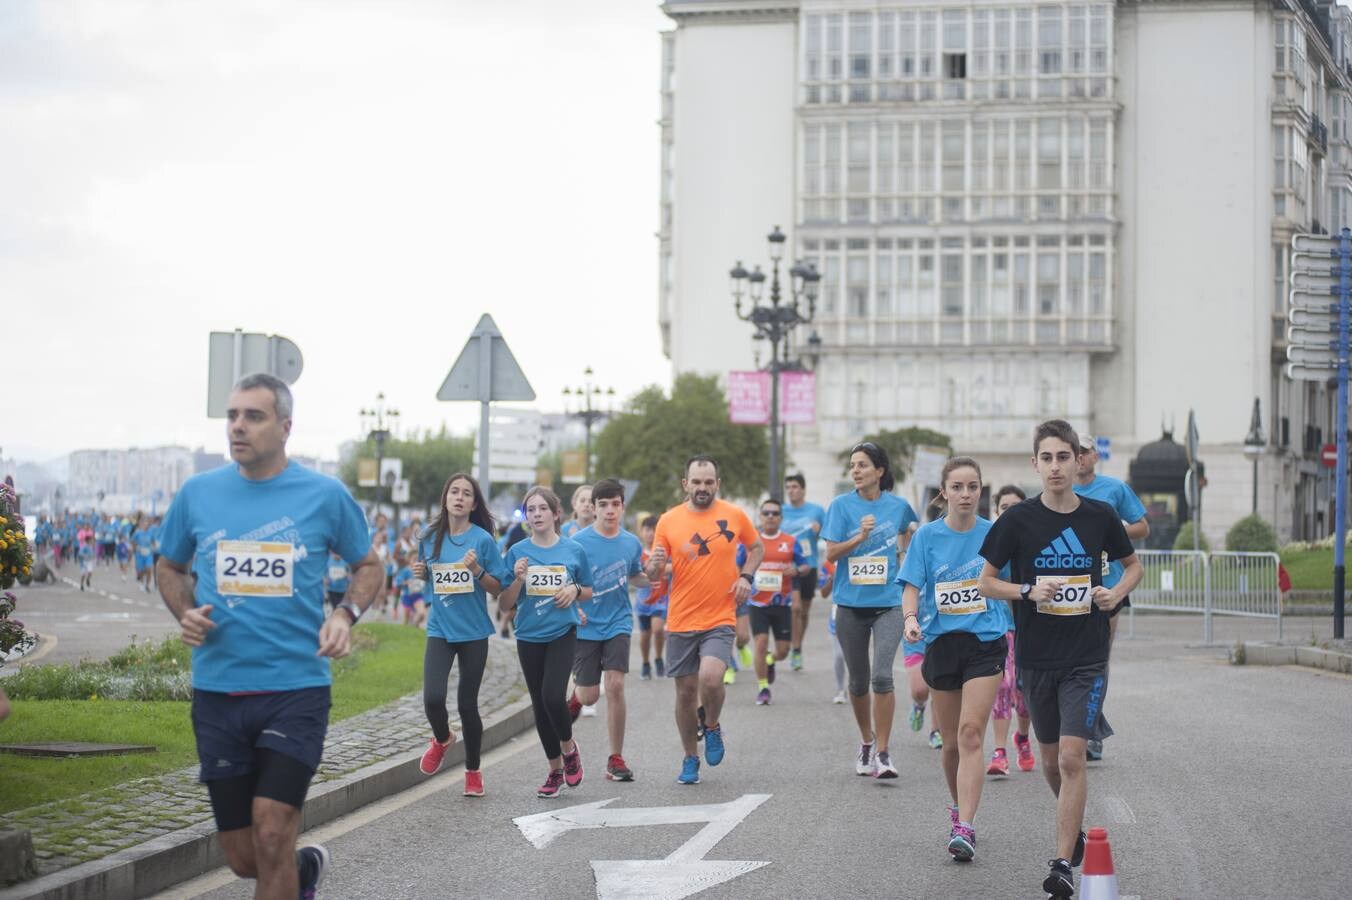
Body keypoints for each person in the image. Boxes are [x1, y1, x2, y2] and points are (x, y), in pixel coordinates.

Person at [155, 373, 382, 900]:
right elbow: (169, 565)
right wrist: (184, 611)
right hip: (218, 690)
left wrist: (344, 615)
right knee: (243, 857)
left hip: (295, 688)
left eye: (252, 416)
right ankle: (300, 874)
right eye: (232, 416)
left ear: (285, 427)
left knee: (273, 829)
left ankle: (288, 862)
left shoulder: (323, 495)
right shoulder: (197, 493)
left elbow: (368, 565)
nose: (237, 426)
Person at [977, 419, 1143, 898]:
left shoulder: (1099, 517)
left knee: (1073, 757)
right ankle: (1074, 837)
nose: (1055, 466)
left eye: (1063, 457)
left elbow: (1133, 567)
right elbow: (986, 582)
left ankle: (1060, 864)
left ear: (1079, 461)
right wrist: (1027, 589)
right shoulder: (1017, 521)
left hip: (1086, 656)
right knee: (1051, 763)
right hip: (1035, 657)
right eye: (1046, 458)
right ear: (1035, 464)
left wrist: (1114, 593)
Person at [899, 457, 1013, 862]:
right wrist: (911, 619)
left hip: (985, 643)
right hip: (942, 644)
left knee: (969, 734)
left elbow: (1008, 582)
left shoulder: (996, 533)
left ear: (981, 491)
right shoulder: (926, 537)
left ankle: (966, 824)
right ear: (944, 492)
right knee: (950, 745)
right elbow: (911, 587)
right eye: (958, 487)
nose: (966, 494)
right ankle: (958, 808)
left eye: (973, 487)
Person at [647, 455, 761, 785]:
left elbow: (756, 548)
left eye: (708, 482)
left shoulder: (733, 514)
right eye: (696, 482)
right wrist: (654, 565)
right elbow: (653, 571)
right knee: (684, 693)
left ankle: (711, 725)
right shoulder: (668, 521)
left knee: (711, 679)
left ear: (717, 484)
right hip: (681, 618)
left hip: (720, 615)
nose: (702, 488)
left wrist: (746, 577)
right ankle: (689, 758)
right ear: (686, 484)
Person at [822, 441, 919, 779]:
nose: (856, 471)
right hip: (850, 605)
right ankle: (866, 740)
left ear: (879, 471)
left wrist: (905, 553)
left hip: (889, 604)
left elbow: (911, 529)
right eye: (853, 466)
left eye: (862, 465)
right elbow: (831, 555)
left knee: (882, 676)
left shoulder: (899, 506)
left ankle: (884, 751)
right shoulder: (840, 506)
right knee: (859, 681)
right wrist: (859, 538)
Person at [411, 473, 505, 797]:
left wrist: (477, 571)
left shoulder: (482, 541)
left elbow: (498, 588)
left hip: (474, 631)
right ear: (446, 498)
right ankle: (441, 738)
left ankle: (473, 770)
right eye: (454, 491)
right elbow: (432, 581)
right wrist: (421, 575)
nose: (460, 497)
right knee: (433, 698)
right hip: (440, 628)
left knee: (467, 704)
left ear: (474, 503)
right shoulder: (429, 537)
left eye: (467, 493)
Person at [498, 486, 592, 798]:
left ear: (555, 514)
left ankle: (569, 750)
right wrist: (517, 579)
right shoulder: (517, 552)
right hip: (528, 635)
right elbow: (504, 604)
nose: (536, 514)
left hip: (562, 632)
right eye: (530, 510)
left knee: (554, 696)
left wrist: (574, 590)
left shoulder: (573, 551)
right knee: (539, 705)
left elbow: (589, 590)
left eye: (542, 509)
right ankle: (554, 771)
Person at [1072, 433, 1150, 761]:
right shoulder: (1059, 490)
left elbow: (1142, 527)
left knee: (1098, 658)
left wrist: (1107, 529)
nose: (1080, 458)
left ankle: (1091, 731)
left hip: (1110, 585)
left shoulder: (1114, 489)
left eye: (1085, 452)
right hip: (1068, 585)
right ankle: (1071, 726)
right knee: (1067, 659)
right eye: (1074, 452)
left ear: (1094, 456)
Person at [568, 479, 647, 782]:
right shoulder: (579, 544)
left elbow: (636, 576)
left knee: (614, 686)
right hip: (587, 625)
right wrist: (574, 608)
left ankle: (615, 758)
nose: (610, 510)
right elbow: (568, 583)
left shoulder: (630, 542)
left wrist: (650, 575)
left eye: (615, 504)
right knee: (589, 697)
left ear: (622, 507)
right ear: (595, 508)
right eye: (603, 505)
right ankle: (575, 700)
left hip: (618, 622)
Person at [739, 497, 809, 706]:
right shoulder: (750, 543)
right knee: (760, 643)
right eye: (766, 513)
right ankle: (763, 687)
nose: (770, 517)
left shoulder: (790, 541)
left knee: (783, 651)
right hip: (757, 604)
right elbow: (737, 567)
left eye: (774, 513)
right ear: (760, 517)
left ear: (780, 518)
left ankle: (771, 660)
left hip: (782, 604)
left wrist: (796, 570)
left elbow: (805, 566)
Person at [988, 484, 1035, 776]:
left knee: (1025, 692)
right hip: (1001, 626)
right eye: (1004, 507)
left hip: (1031, 629)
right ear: (997, 512)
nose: (1010, 512)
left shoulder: (1035, 542)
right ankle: (999, 751)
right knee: (1004, 685)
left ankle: (1023, 737)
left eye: (1016, 506)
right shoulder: (993, 542)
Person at [782, 474, 826, 671]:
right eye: (788, 487)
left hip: (809, 565)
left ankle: (798, 645)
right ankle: (795, 648)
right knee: (795, 609)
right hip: (788, 567)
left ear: (803, 490)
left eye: (794, 487)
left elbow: (829, 533)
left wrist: (819, 531)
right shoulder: (781, 512)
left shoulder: (816, 511)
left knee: (804, 611)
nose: (791, 490)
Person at [634, 514, 670, 680]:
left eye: (654, 530)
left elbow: (674, 567)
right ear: (641, 532)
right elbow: (634, 575)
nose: (651, 533)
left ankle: (658, 658)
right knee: (645, 635)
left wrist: (666, 568)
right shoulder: (638, 553)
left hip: (661, 600)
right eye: (647, 530)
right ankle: (646, 663)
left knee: (657, 629)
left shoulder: (664, 552)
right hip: (643, 602)